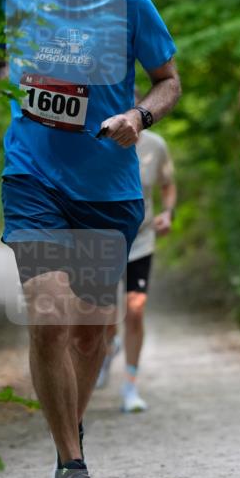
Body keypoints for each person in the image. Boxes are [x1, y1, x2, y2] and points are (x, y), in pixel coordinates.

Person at [0, 0, 181, 478]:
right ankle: (71, 466)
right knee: (49, 311)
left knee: (93, 332)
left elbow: (168, 81)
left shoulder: (131, 2)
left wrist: (139, 119)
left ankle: (73, 435)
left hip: (110, 188)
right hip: (33, 176)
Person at [96, 123, 177, 413]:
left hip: (141, 238)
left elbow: (167, 185)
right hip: (103, 240)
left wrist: (168, 213)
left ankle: (130, 385)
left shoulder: (155, 145)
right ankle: (107, 348)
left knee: (135, 309)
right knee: (104, 312)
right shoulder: (98, 140)